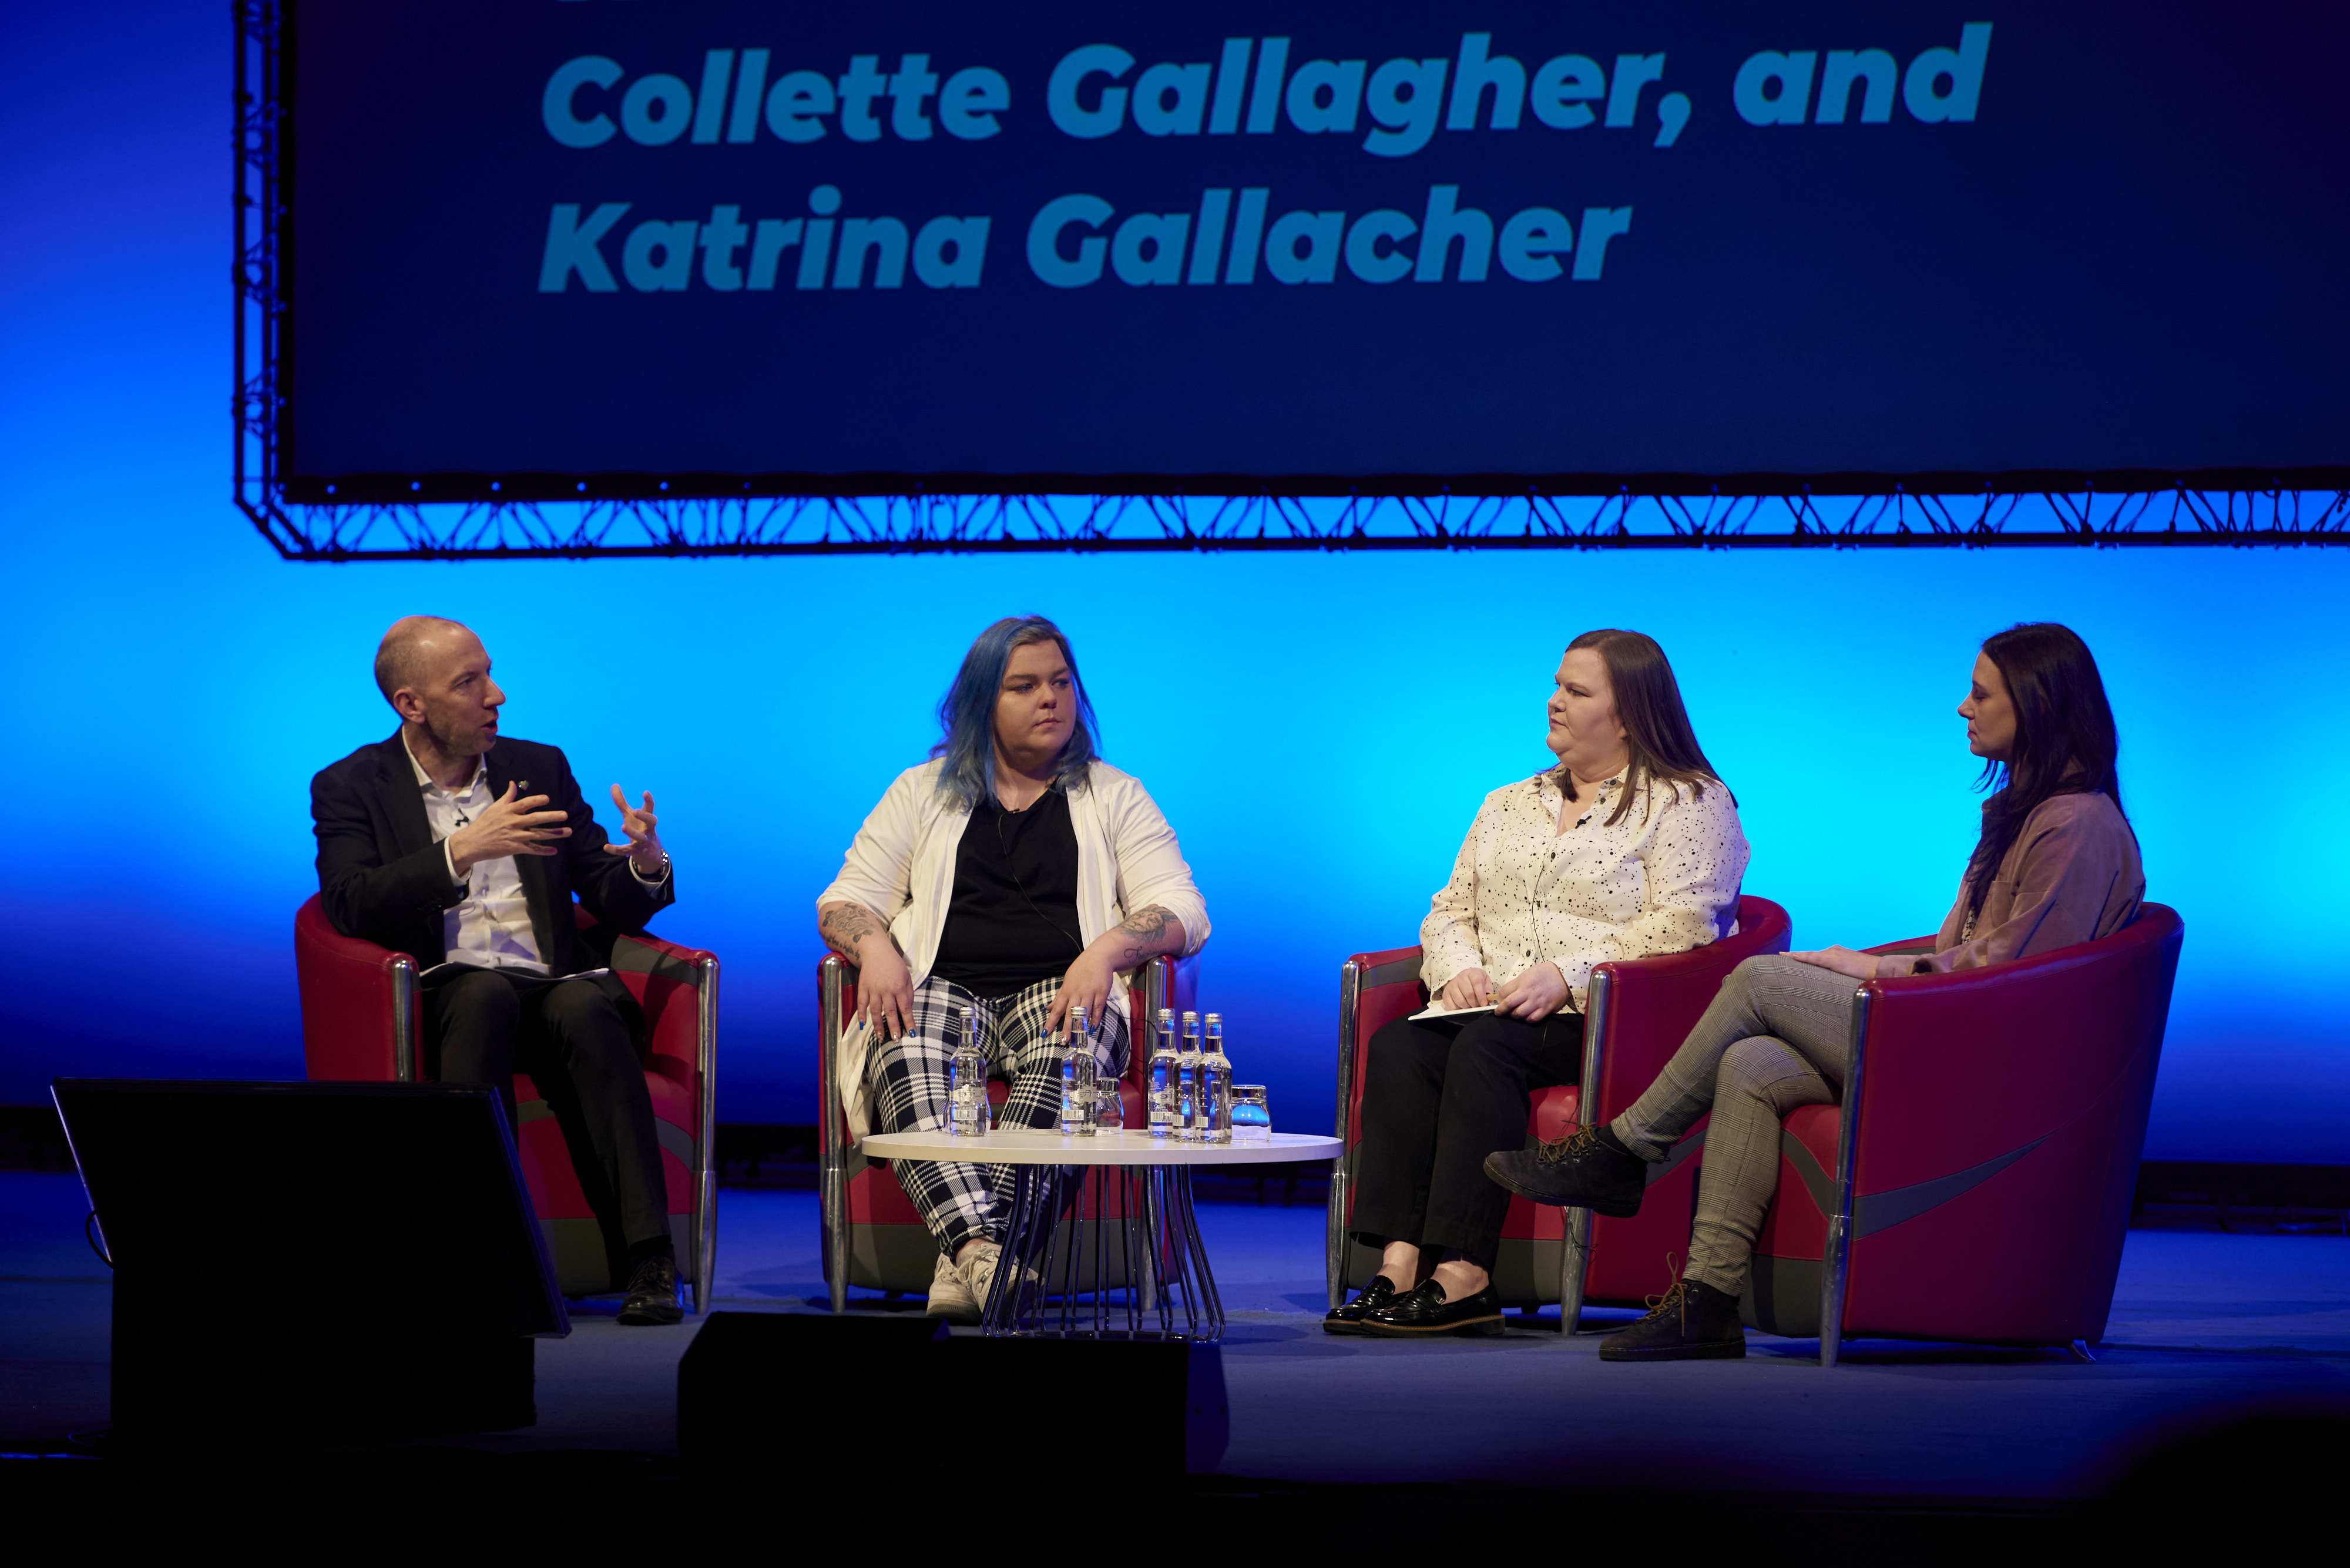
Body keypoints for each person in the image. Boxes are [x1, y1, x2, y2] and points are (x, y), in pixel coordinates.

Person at [1487, 622, 2144, 1361]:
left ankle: (1624, 1147)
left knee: (1762, 977)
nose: (1963, 707)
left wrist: (1870, 972)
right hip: (1952, 1031)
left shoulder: (2076, 824)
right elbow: (1962, 947)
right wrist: (1859, 958)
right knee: (1754, 1063)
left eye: (1981, 693)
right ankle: (1706, 1298)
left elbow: (2019, 979)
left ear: (2037, 706)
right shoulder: (2023, 815)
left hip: (1988, 1062)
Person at [1328, 629, 1750, 1339]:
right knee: (1402, 1046)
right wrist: (1458, 967)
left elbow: (1687, 923)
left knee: (1487, 1049)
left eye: (1576, 691)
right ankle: (1397, 1265)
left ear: (1628, 715)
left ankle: (1463, 1273)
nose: (1553, 701)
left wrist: (1570, 972)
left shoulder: (1687, 801)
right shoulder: (1507, 802)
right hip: (1497, 1006)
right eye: (1556, 685)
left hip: (1611, 1019)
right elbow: (1449, 908)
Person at [817, 616, 1210, 1322]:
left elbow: (1183, 909)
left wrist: (1104, 952)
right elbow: (845, 899)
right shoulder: (921, 791)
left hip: (1060, 987)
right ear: (981, 704)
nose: (1049, 699)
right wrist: (873, 946)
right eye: (1024, 686)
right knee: (899, 1047)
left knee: (1076, 1057)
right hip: (939, 985)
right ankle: (989, 1253)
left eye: (1060, 683)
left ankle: (967, 1253)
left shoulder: (1114, 794)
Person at [311, 616, 686, 1326]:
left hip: (550, 990)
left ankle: (650, 1256)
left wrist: (642, 863)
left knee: (585, 1007)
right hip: (452, 997)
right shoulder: (350, 785)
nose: (497, 695)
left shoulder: (536, 766)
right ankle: (483, 1247)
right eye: (470, 682)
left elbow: (603, 894)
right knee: (481, 991)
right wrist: (460, 850)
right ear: (410, 704)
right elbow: (349, 902)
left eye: (489, 673)